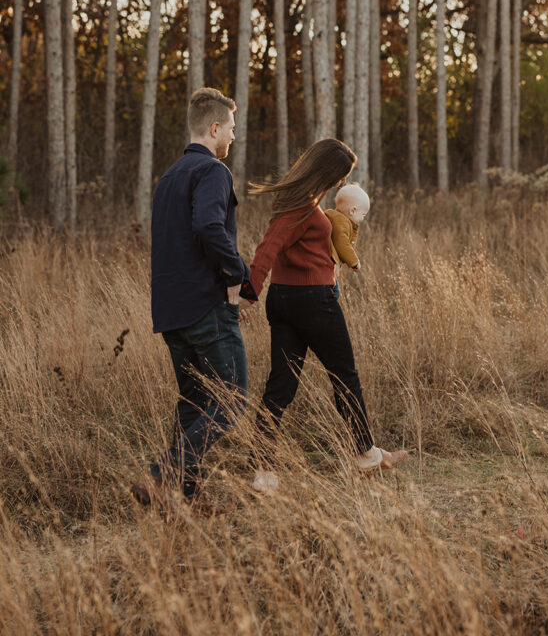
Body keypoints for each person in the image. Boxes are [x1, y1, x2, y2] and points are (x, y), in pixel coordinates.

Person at [245, 138, 406, 493]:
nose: (340, 184)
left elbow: (274, 246)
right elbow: (268, 245)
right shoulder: (302, 205)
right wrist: (247, 293)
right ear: (327, 171)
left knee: (280, 386)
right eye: (340, 176)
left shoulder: (297, 199)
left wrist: (255, 292)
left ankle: (264, 471)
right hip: (313, 301)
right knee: (344, 375)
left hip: (285, 300)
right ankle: (365, 454)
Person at [132, 87, 256, 513]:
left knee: (193, 402)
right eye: (232, 130)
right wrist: (239, 273)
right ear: (215, 127)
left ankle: (184, 497)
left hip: (170, 311)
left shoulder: (168, 177)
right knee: (232, 400)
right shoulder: (213, 172)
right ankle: (161, 474)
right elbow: (207, 226)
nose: (234, 138)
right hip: (206, 307)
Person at [324, 183, 370, 299]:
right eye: (363, 215)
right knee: (334, 294)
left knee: (334, 293)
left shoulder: (336, 218)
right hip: (327, 268)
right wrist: (354, 261)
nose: (362, 219)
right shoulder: (342, 222)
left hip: (327, 268)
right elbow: (342, 243)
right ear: (353, 211)